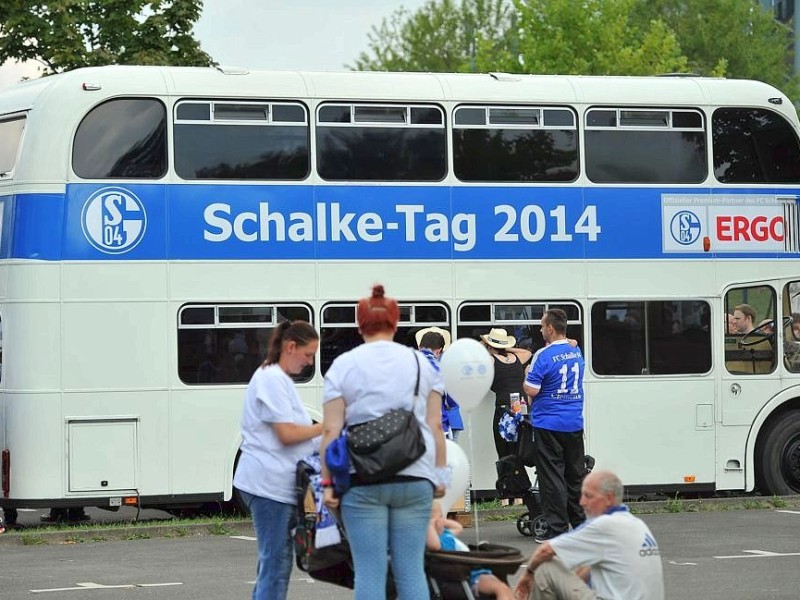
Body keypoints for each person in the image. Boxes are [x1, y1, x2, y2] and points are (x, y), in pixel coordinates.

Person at [320, 284, 448, 600]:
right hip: (416, 476)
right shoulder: (423, 364)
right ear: (396, 322)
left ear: (359, 324)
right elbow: (435, 426)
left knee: (369, 571)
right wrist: (440, 477)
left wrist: (326, 484)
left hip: (362, 479)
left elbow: (330, 431)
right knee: (411, 570)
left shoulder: (343, 365)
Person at [232, 320, 323, 600]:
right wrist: (328, 426)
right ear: (290, 347)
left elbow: (294, 432)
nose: (309, 363)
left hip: (272, 483)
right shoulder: (271, 379)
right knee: (276, 563)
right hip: (269, 485)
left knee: (272, 562)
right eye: (308, 355)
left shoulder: (277, 378)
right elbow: (287, 433)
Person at [514, 470, 664, 600]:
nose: (582, 502)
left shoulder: (604, 525)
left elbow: (545, 551)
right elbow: (585, 570)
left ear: (609, 498)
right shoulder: (636, 524)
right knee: (589, 565)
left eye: (588, 496)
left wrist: (527, 576)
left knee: (546, 566)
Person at [523, 309, 586, 542]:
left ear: (550, 328)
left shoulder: (543, 355)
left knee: (552, 478)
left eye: (541, 326)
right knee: (575, 475)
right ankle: (580, 524)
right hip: (574, 422)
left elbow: (532, 389)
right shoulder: (575, 350)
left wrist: (526, 375)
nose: (540, 330)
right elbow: (572, 345)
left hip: (548, 423)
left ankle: (557, 529)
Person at [426, 501, 515, 600]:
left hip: (475, 570)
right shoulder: (435, 541)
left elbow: (458, 527)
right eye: (438, 520)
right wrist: (429, 524)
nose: (442, 521)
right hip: (471, 575)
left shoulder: (446, 533)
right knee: (501, 589)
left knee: (505, 589)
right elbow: (434, 546)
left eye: (442, 517)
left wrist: (441, 520)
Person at [480, 328, 533, 461]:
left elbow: (476, 354)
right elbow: (527, 352)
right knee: (519, 452)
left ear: (489, 346)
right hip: (522, 408)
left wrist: (485, 345)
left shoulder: (490, 360)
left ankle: (508, 480)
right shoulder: (516, 358)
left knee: (505, 454)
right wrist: (507, 348)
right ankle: (519, 480)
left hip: (505, 410)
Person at [416, 326, 464, 441]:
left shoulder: (408, 363)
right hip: (440, 425)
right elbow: (451, 401)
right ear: (439, 350)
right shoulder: (443, 367)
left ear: (419, 346)